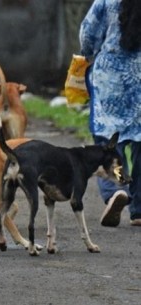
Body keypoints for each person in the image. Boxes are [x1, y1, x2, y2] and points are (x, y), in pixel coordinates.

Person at [79, 0, 141, 227]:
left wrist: (88, 55)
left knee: (108, 143)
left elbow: (88, 34)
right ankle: (139, 211)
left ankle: (117, 188)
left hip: (110, 80)